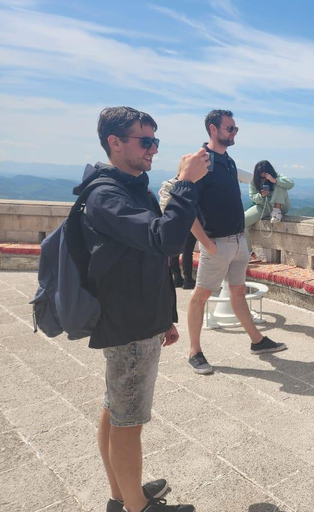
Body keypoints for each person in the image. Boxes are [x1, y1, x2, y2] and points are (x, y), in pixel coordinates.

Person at [82, 107, 209, 512]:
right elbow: (167, 240)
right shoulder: (107, 195)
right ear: (115, 143)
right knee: (128, 419)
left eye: (155, 141)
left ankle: (123, 493)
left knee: (115, 407)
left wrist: (165, 318)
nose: (154, 149)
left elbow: (149, 260)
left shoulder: (133, 187)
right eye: (145, 141)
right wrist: (186, 184)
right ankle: (136, 507)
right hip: (128, 322)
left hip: (139, 317)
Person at [187, 110, 286, 375]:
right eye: (229, 128)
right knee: (200, 296)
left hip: (238, 240)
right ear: (212, 128)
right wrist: (206, 244)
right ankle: (194, 352)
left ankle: (257, 341)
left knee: (238, 292)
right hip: (217, 243)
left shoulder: (228, 162)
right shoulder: (200, 161)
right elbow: (185, 207)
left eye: (235, 129)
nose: (234, 133)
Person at [243, 160, 294, 258]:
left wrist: (274, 180)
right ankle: (248, 252)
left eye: (264, 174)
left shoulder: (277, 176)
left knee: (280, 185)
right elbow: (252, 197)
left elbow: (290, 184)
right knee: (242, 221)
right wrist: (261, 196)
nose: (263, 177)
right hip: (264, 206)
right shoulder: (254, 181)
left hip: (281, 206)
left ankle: (276, 211)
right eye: (260, 175)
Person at [158, 178, 198, 289]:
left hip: (172, 220)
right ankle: (188, 279)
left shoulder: (169, 183)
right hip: (188, 221)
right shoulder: (191, 184)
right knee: (187, 250)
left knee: (173, 251)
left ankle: (176, 278)